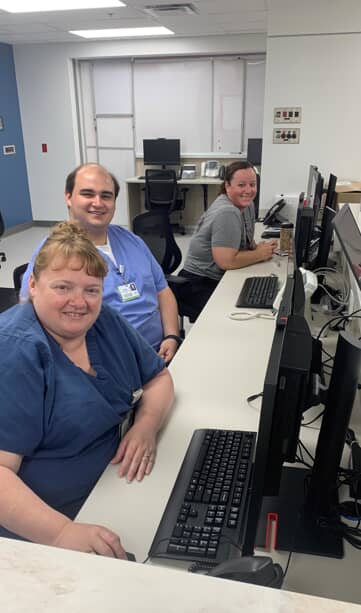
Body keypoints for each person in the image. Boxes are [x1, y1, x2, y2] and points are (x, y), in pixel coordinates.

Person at [0, 222, 174, 558]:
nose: (79, 302)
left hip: (114, 487)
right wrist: (61, 533)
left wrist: (146, 426)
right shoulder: (16, 351)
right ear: (33, 285)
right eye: (63, 287)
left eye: (92, 290)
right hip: (43, 527)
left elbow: (158, 379)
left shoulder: (104, 321)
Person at [20, 163, 182, 364]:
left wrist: (172, 336)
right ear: (68, 197)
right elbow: (29, 318)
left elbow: (162, 291)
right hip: (108, 365)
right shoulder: (54, 252)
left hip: (161, 353)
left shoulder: (132, 240)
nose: (98, 203)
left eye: (106, 196)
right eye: (88, 194)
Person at [178, 160, 278, 318]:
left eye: (252, 184)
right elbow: (226, 261)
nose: (248, 190)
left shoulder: (246, 205)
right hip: (198, 283)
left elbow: (245, 238)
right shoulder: (227, 212)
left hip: (215, 277)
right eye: (241, 185)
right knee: (245, 314)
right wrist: (260, 254)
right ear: (227, 186)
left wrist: (257, 248)